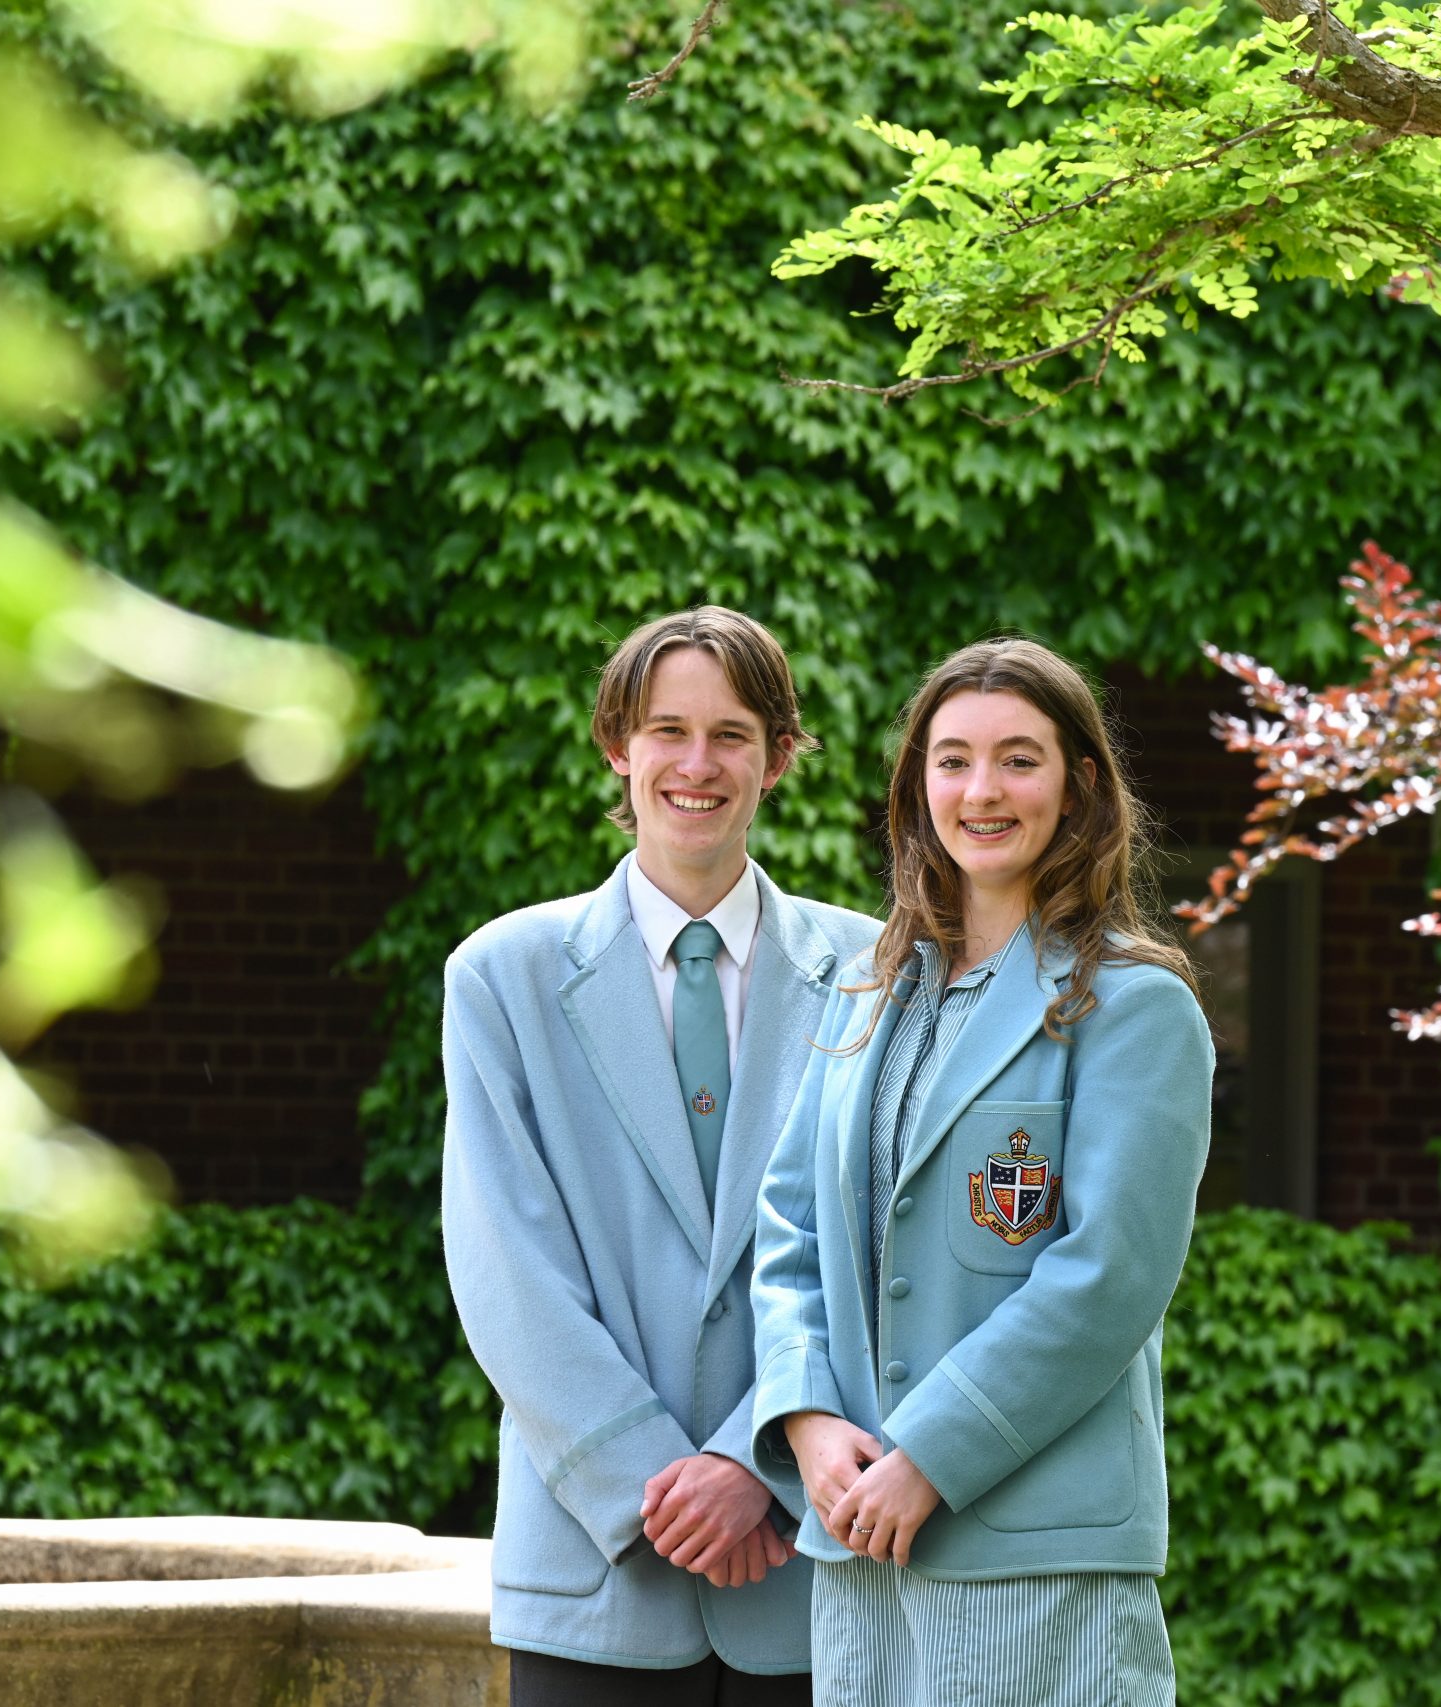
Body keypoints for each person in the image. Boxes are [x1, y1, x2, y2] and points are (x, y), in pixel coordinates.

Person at [749, 637, 1212, 1707]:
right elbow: (790, 1229)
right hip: (861, 1545)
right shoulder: (867, 998)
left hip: (1033, 1552)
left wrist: (933, 1457)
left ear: (1080, 785)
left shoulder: (1134, 1008)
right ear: (919, 786)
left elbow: (1107, 1278)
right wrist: (807, 1416)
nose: (981, 790)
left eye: (1018, 758)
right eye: (952, 760)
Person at [442, 607, 881, 1704]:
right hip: (596, 1572)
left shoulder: (877, 973)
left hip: (805, 1575)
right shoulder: (500, 977)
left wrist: (756, 1461)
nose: (696, 764)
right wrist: (653, 1486)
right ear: (615, 746)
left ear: (777, 759)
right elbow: (506, 1268)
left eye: (731, 735)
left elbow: (879, 1250)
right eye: (665, 731)